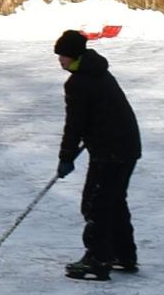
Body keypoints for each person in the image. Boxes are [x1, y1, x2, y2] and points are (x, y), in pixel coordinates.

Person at [54, 30, 140, 281]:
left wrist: (66, 156)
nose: (60, 60)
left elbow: (75, 124)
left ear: (74, 56)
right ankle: (122, 254)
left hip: (111, 150)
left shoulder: (79, 82)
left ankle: (98, 259)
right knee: (113, 201)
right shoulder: (98, 72)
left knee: (95, 203)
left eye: (63, 55)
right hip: (126, 146)